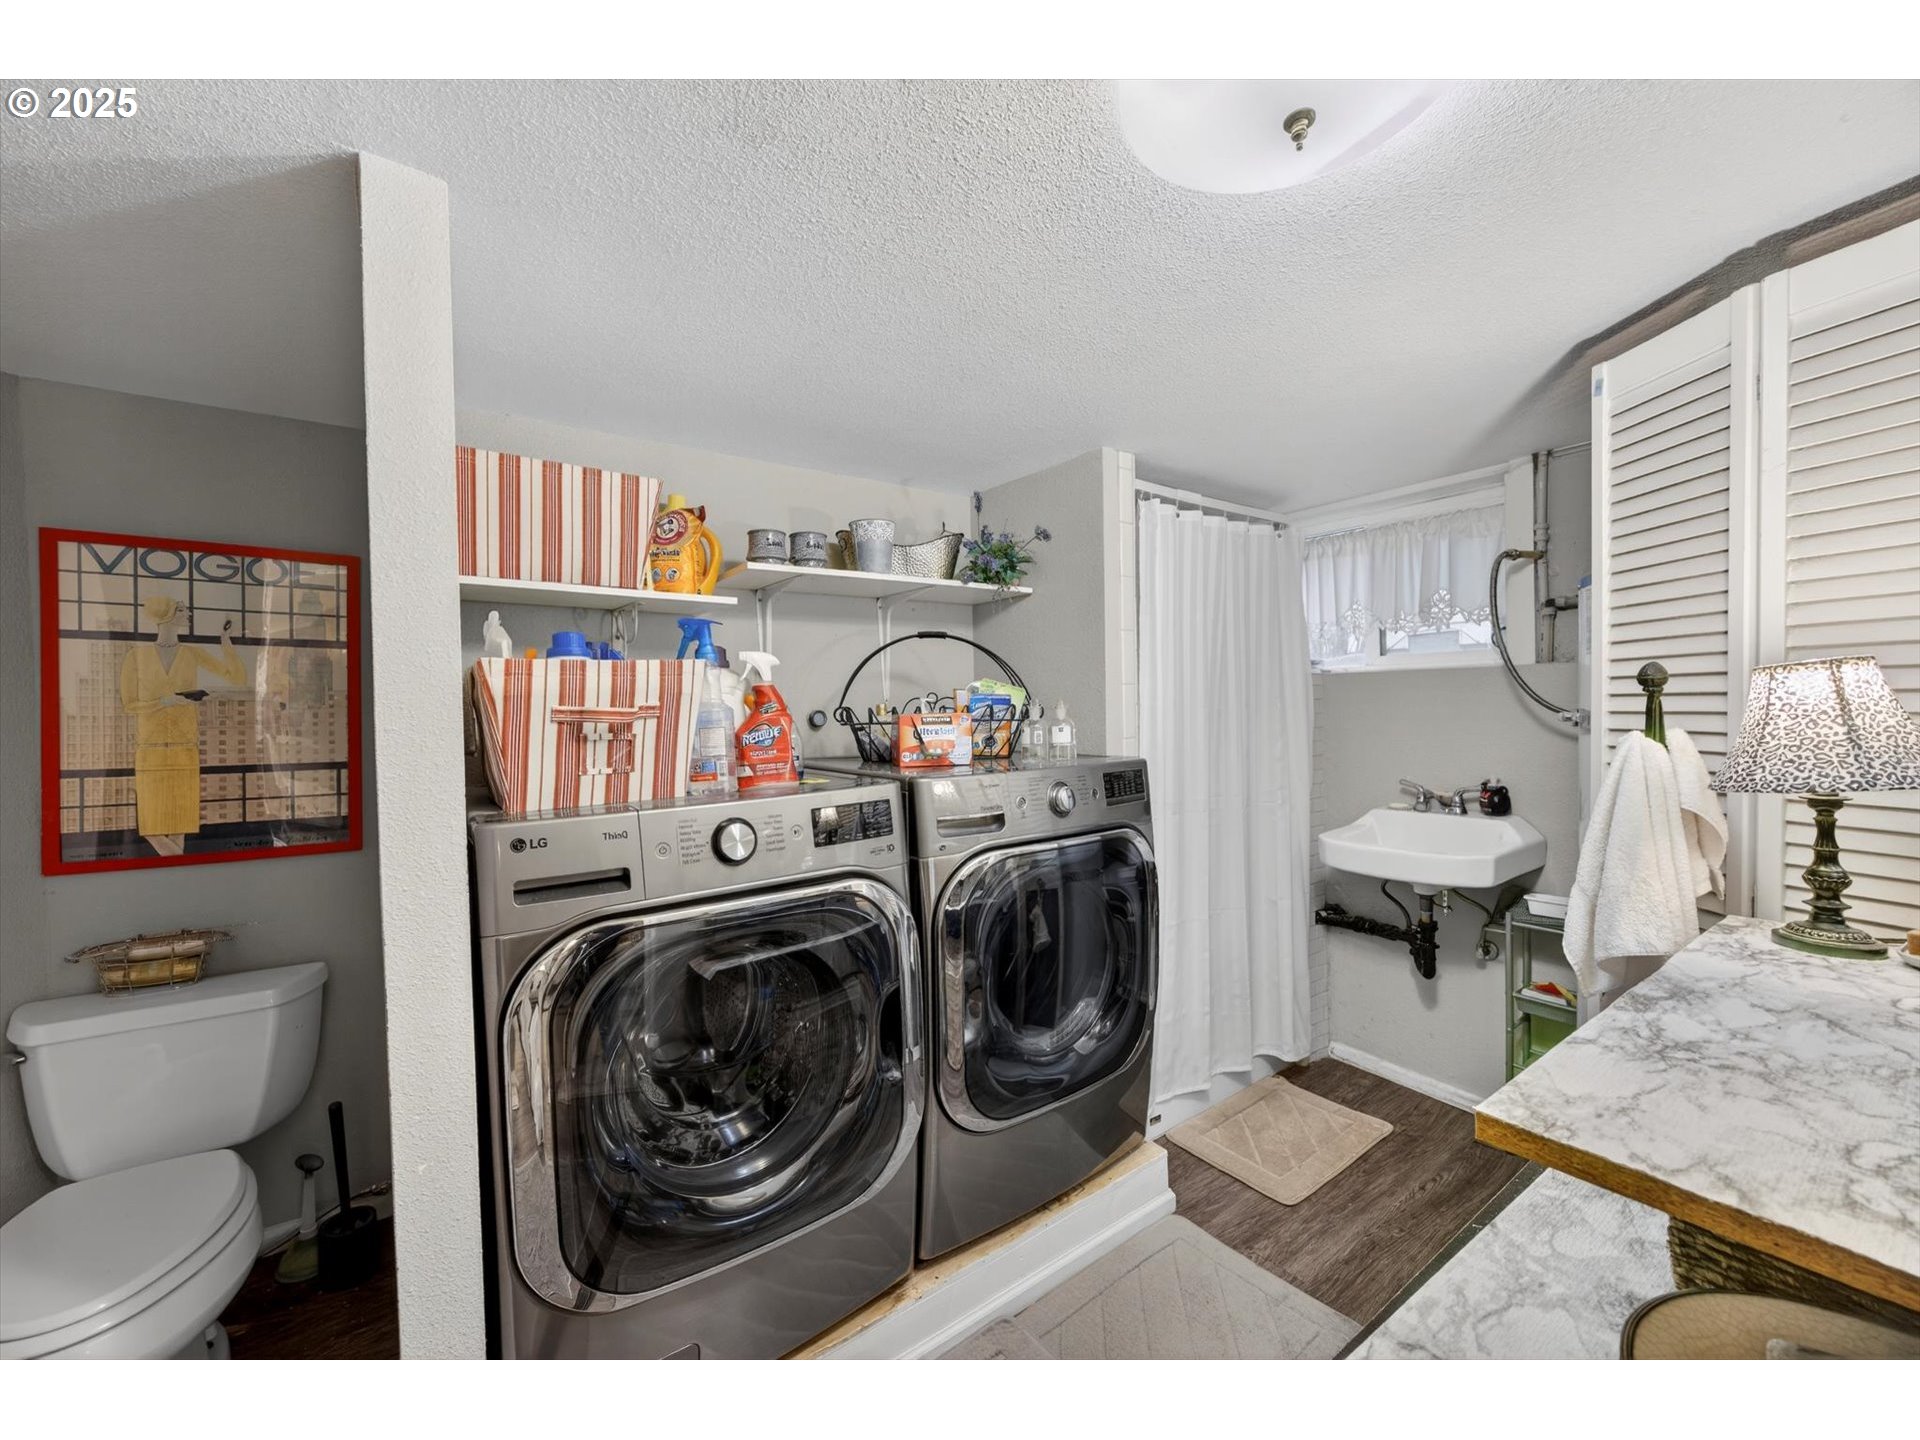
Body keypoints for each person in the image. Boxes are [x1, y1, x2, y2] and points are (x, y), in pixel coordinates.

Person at [120, 593, 246, 856]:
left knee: (180, 826)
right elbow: (128, 704)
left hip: (185, 747)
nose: (187, 613)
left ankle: (176, 877)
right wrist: (164, 702)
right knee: (152, 827)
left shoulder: (192, 653)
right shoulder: (136, 656)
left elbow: (237, 677)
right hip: (150, 749)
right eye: (181, 609)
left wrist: (225, 641)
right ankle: (178, 870)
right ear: (166, 614)